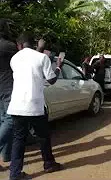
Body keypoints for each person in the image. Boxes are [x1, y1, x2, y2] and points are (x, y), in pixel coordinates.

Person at [7, 32, 63, 180]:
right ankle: (49, 164)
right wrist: (58, 67)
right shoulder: (42, 57)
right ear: (33, 44)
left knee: (18, 140)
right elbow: (51, 80)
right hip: (35, 106)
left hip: (17, 106)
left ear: (19, 45)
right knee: (43, 137)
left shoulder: (14, 59)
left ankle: (15, 174)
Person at [0, 19, 17, 166]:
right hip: (7, 88)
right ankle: (5, 153)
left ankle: (6, 155)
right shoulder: (9, 46)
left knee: (2, 120)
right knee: (11, 120)